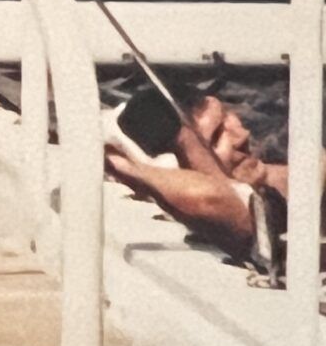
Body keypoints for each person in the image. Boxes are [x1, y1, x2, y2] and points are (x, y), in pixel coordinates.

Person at [105, 85, 324, 265]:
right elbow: (211, 198)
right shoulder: (259, 211)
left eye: (229, 119)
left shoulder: (301, 156)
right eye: (217, 137)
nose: (242, 136)